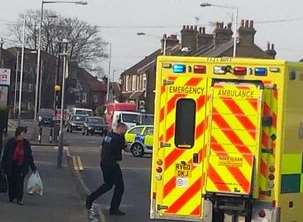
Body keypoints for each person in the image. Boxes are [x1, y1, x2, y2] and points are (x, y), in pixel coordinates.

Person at [86, 122, 128, 216]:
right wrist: (125, 141)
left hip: (104, 163)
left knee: (108, 185)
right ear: (120, 129)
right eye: (125, 130)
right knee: (120, 187)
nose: (125, 132)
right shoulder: (119, 138)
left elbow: (101, 148)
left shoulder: (108, 135)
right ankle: (114, 209)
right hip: (113, 165)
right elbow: (127, 149)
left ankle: (90, 198)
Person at [1, 127, 37, 205]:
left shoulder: (26, 143)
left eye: (24, 133)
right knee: (11, 181)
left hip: (21, 165)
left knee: (20, 182)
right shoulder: (11, 142)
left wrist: (33, 166)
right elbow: (6, 154)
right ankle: (12, 196)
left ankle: (19, 199)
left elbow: (29, 156)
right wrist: (3, 166)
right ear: (19, 134)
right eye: (23, 133)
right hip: (11, 165)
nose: (24, 135)